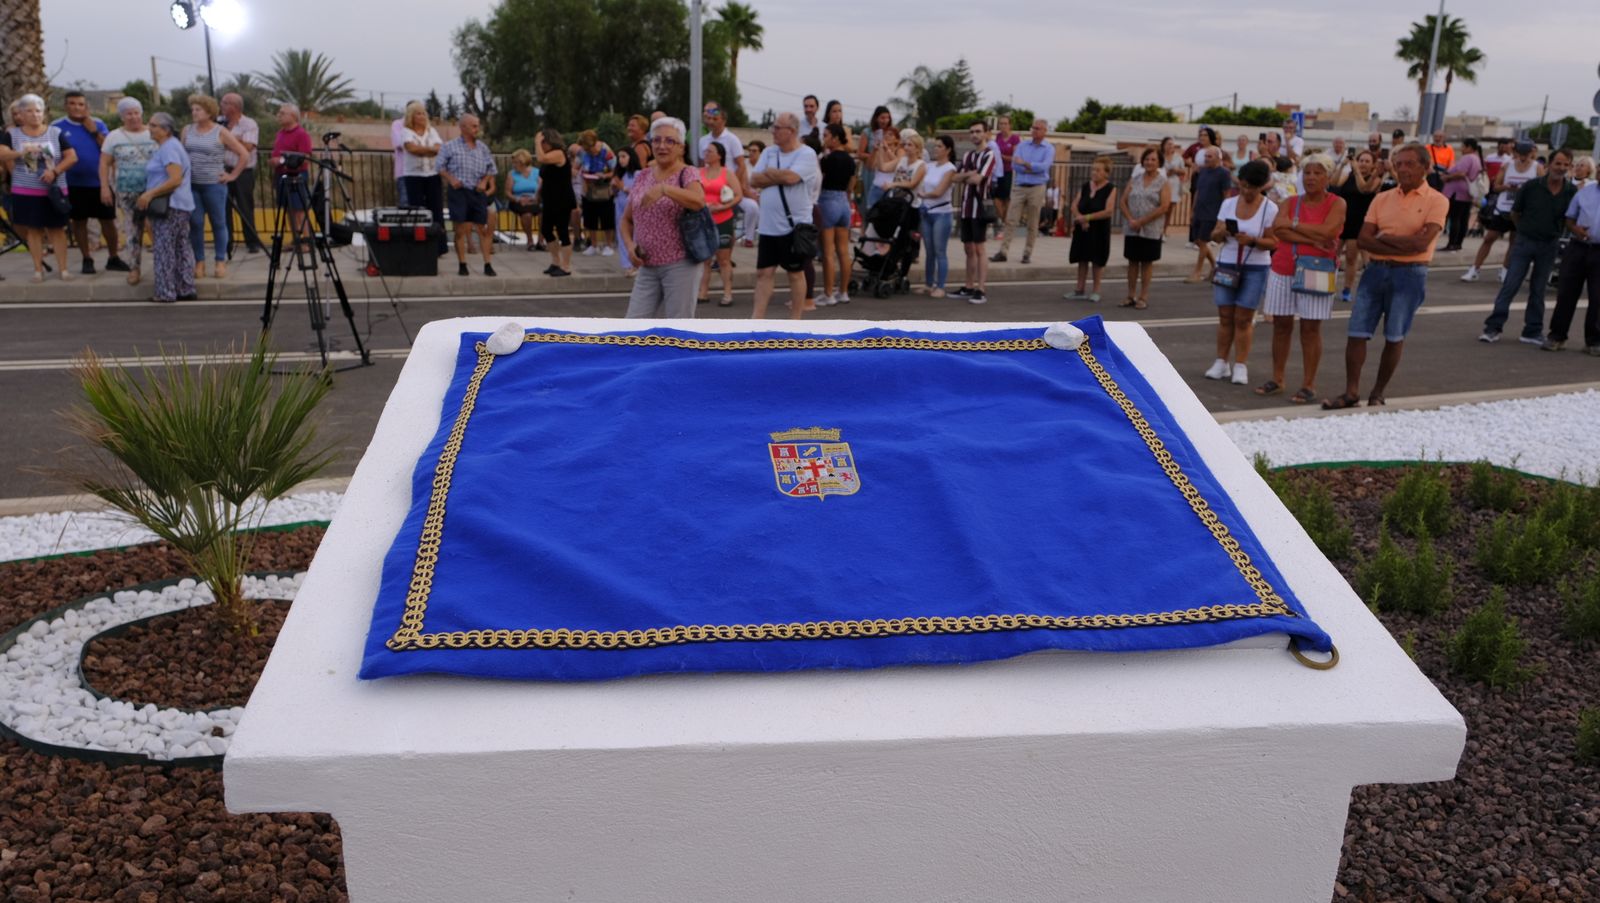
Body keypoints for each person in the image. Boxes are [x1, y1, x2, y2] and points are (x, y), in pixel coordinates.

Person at [1323, 143, 1447, 409]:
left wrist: (1387, 238)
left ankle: (1377, 392)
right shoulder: (1382, 198)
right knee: (1356, 332)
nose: (1402, 169)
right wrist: (1399, 242)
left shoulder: (1437, 200)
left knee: (1394, 335)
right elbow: (1365, 240)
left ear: (1425, 167)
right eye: (1398, 163)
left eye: (1409, 163)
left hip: (1410, 274)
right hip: (1376, 270)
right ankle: (1351, 392)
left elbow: (1420, 245)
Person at [1259, 153, 1345, 402]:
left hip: (1318, 268)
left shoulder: (1337, 203)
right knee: (1281, 325)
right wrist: (1313, 237)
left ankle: (1308, 383)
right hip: (1283, 267)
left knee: (1310, 327)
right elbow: (1279, 230)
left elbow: (1329, 231)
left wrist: (1294, 227)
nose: (1311, 178)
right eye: (1307, 172)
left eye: (1318, 173)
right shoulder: (1291, 202)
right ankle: (1277, 377)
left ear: (1327, 177)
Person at [1479, 148, 1575, 345]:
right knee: (1511, 285)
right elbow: (1516, 212)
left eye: (1566, 164)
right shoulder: (1531, 186)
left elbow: (1569, 218)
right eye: (1558, 163)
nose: (1561, 168)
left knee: (1538, 289)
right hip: (1525, 242)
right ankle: (1493, 327)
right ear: (1548, 165)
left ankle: (1532, 331)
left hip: (1549, 244)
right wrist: (1523, 229)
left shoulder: (1570, 191)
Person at [619, 117, 706, 318]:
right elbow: (626, 220)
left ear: (681, 148)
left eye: (670, 141)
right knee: (632, 327)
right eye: (657, 140)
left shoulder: (688, 173)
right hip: (647, 265)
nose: (662, 146)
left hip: (680, 264)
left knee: (678, 330)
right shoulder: (643, 176)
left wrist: (666, 189)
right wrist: (630, 246)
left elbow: (698, 201)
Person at [1204, 159, 1280, 388]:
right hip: (1227, 262)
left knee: (1244, 318)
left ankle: (1240, 364)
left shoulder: (1270, 208)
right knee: (1225, 315)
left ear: (1262, 186)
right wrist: (1221, 232)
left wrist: (1254, 241)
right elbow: (1214, 235)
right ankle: (1220, 361)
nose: (1246, 192)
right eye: (1243, 186)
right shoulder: (1228, 204)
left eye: (1252, 188)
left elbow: (1273, 242)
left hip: (1256, 266)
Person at [750, 112, 821, 320]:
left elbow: (791, 178)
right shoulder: (769, 152)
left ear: (792, 131)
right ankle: (757, 319)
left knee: (795, 273)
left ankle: (795, 320)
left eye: (777, 127)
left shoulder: (806, 154)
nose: (773, 131)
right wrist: (778, 174)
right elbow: (754, 179)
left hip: (794, 227)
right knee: (764, 273)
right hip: (768, 226)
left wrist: (771, 174)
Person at [0, 94, 76, 282]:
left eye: (38, 111)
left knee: (57, 229)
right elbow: (3, 154)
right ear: (21, 115)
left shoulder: (55, 132)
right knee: (33, 230)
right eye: (29, 111)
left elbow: (72, 157)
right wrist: (22, 152)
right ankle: (37, 270)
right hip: (26, 189)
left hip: (54, 189)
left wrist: (55, 171)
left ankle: (63, 269)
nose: (34, 115)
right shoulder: (12, 134)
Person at [54, 90, 127, 275]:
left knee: (108, 221)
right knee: (79, 222)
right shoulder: (57, 127)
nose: (76, 107)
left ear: (86, 107)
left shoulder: (99, 123)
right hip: (73, 183)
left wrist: (93, 130)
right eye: (72, 103)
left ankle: (113, 257)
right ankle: (87, 258)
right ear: (66, 106)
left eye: (80, 104)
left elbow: (108, 148)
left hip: (99, 182)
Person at [182, 94, 250, 279]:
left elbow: (244, 154)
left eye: (198, 109)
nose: (194, 113)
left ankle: (220, 261)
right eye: (193, 109)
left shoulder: (220, 131)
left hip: (214, 185)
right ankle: (199, 261)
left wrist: (232, 175)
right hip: (192, 185)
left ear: (209, 111)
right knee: (195, 223)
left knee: (218, 223)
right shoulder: (187, 130)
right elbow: (181, 154)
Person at [137, 112, 196, 303]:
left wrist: (150, 193)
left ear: (165, 130)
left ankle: (165, 291)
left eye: (154, 125)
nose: (149, 128)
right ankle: (185, 287)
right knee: (180, 247)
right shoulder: (171, 146)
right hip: (181, 204)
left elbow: (175, 179)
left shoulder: (168, 149)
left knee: (164, 248)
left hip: (170, 205)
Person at [98, 98, 157, 286]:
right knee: (132, 231)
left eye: (136, 112)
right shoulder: (114, 136)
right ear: (122, 116)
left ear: (142, 113)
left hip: (154, 191)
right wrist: (105, 187)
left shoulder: (154, 133)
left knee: (158, 229)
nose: (133, 117)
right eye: (128, 113)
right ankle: (134, 268)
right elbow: (104, 163)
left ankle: (162, 267)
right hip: (126, 191)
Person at [1464, 140, 1541, 283]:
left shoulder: (1537, 168)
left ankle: (1505, 270)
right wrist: (1506, 186)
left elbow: (1541, 189)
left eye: (1527, 154)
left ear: (1532, 153)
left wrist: (1525, 190)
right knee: (1489, 238)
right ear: (1516, 153)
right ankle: (1475, 268)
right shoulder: (1507, 166)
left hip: (1522, 210)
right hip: (1504, 207)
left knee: (1514, 241)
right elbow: (1495, 187)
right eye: (1520, 153)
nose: (1523, 157)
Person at [1544, 173, 1600, 354]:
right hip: (1579, 247)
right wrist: (1576, 229)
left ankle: (1594, 341)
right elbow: (1569, 219)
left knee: (1597, 298)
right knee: (1566, 293)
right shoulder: (1585, 192)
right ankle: (1557, 336)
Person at [437, 113, 498, 277]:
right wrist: (451, 179)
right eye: (474, 126)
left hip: (477, 192)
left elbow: (492, 169)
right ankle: (462, 264)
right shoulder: (449, 146)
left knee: (483, 228)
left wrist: (485, 181)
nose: (477, 129)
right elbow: (440, 166)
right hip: (459, 191)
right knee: (461, 230)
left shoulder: (482, 147)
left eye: (478, 125)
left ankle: (487, 264)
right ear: (463, 127)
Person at [992, 119, 1052, 264]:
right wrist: (1030, 167)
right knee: (1011, 219)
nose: (1034, 130)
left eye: (1038, 128)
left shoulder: (1049, 148)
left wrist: (1025, 163)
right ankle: (1003, 251)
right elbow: (1014, 164)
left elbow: (1044, 167)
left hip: (1036, 187)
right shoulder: (1023, 145)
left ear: (1045, 131)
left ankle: (1027, 253)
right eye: (1033, 127)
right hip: (1020, 186)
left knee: (1032, 222)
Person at [951, 121, 997, 304]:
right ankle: (968, 286)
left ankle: (981, 288)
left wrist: (968, 175)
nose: (974, 135)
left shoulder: (989, 154)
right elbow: (955, 177)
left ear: (986, 133)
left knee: (979, 248)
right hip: (966, 207)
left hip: (980, 208)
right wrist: (969, 174)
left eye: (978, 131)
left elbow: (978, 179)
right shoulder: (969, 154)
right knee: (968, 248)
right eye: (971, 132)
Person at [1119, 146, 1171, 310]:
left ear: (1159, 162)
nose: (1149, 162)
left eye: (1153, 159)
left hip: (1151, 228)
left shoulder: (1163, 182)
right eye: (1147, 159)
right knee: (1132, 261)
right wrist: (1131, 220)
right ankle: (1130, 295)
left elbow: (1164, 206)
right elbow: (1123, 201)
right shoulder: (1135, 179)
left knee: (1147, 263)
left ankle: (1143, 296)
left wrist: (1142, 221)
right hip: (1132, 227)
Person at [1064, 155, 1117, 302]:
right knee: (1082, 258)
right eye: (1093, 170)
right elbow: (1074, 204)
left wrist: (1088, 218)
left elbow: (1108, 210)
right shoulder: (1086, 186)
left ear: (1106, 173)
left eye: (1098, 170)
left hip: (1099, 229)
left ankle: (1096, 290)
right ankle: (1079, 288)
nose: (1094, 173)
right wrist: (1080, 218)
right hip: (1083, 229)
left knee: (1097, 260)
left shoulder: (1110, 189)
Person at [815, 123, 858, 304]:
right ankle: (844, 291)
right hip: (843, 201)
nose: (824, 139)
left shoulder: (827, 159)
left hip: (828, 200)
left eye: (826, 135)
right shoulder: (850, 160)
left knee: (827, 252)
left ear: (835, 138)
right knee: (843, 251)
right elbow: (851, 184)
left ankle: (828, 293)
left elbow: (818, 180)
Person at [695, 139, 741, 306]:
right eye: (705, 151)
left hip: (723, 219)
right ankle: (703, 292)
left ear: (719, 156)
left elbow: (738, 195)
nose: (706, 154)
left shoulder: (727, 173)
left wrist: (722, 207)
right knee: (705, 259)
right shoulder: (698, 172)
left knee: (723, 259)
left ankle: (727, 293)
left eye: (710, 152)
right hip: (703, 219)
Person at [1335, 149, 1383, 303]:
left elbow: (1364, 189)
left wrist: (1356, 171)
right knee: (1331, 254)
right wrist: (1342, 164)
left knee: (1350, 257)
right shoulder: (1349, 175)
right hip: (1342, 219)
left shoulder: (1374, 179)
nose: (1362, 164)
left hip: (1358, 222)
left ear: (1373, 165)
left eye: (1367, 161)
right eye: (1361, 160)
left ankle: (1347, 289)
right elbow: (1334, 183)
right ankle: (1327, 284)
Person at [915, 134, 958, 298]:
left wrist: (923, 195)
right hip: (927, 211)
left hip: (941, 213)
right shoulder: (930, 166)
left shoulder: (950, 168)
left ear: (948, 149)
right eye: (935, 146)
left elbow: (939, 191)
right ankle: (928, 283)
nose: (936, 149)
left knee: (940, 250)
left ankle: (940, 285)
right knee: (929, 251)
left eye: (940, 146)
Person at [398, 103, 445, 254]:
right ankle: (418, 244)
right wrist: (430, 150)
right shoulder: (406, 132)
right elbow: (412, 149)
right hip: (413, 175)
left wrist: (425, 150)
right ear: (411, 116)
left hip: (432, 174)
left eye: (423, 113)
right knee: (416, 210)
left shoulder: (432, 131)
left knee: (436, 210)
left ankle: (439, 246)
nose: (422, 116)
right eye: (418, 114)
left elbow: (439, 148)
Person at [220, 92, 262, 255]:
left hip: (244, 171)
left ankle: (252, 242)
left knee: (245, 207)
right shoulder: (220, 122)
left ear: (234, 106)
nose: (221, 105)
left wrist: (228, 140)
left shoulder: (249, 124)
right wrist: (235, 140)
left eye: (224, 103)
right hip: (223, 170)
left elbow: (248, 148)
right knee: (224, 208)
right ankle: (226, 242)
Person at [268, 103, 312, 246]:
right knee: (288, 209)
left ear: (293, 116)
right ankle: (296, 240)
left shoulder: (301, 134)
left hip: (296, 175)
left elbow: (304, 156)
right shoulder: (280, 133)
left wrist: (281, 161)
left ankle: (306, 241)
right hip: (281, 175)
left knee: (299, 210)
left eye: (282, 113)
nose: (279, 116)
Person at [1186, 148, 1233, 282]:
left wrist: (1224, 215)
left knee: (1203, 240)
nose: (1207, 159)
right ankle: (1214, 266)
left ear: (1218, 158)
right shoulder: (1203, 171)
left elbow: (1226, 195)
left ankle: (1197, 272)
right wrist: (1193, 210)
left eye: (1210, 156)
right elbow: (1198, 191)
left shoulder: (1223, 173)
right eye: (1206, 156)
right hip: (1200, 210)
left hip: (1212, 212)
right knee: (1197, 240)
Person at [534, 128, 575, 276]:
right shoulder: (548, 156)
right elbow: (545, 177)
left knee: (562, 230)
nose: (541, 145)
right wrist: (539, 192)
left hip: (562, 198)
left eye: (543, 142)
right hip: (550, 198)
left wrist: (537, 142)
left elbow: (541, 158)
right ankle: (555, 261)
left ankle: (566, 265)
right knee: (546, 229)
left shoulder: (558, 154)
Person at [576, 130, 617, 257]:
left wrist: (604, 175)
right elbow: (575, 167)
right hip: (588, 188)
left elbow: (615, 170)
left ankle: (608, 245)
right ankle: (593, 245)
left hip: (604, 189)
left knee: (606, 218)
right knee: (590, 218)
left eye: (588, 148)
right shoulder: (582, 152)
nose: (586, 151)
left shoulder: (606, 151)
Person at [1439, 137, 1482, 251]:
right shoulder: (1477, 159)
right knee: (1463, 218)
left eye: (1463, 146)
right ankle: (1458, 243)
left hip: (1457, 192)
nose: (1461, 149)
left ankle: (1452, 243)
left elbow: (1461, 173)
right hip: (1467, 193)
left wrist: (1447, 177)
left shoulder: (1467, 158)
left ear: (1469, 147)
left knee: (1455, 218)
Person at [503, 148, 542, 251]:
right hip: (517, 200)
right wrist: (517, 199)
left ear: (523, 162)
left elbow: (542, 188)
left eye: (515, 162)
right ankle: (530, 241)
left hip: (535, 199)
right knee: (527, 214)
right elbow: (507, 192)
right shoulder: (512, 174)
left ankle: (541, 241)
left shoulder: (537, 172)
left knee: (544, 213)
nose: (513, 165)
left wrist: (535, 199)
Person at [990, 115, 1020, 244]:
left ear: (1010, 125)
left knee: (1006, 199)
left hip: (1009, 171)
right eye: (1001, 123)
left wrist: (999, 155)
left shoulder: (1014, 138)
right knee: (996, 199)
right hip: (998, 172)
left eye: (1005, 123)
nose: (1002, 126)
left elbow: (1015, 157)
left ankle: (1005, 226)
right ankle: (1003, 222)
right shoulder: (997, 137)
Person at [612, 146, 638, 274]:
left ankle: (635, 262)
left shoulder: (638, 174)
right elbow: (614, 193)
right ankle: (627, 264)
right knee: (622, 235)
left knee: (635, 236)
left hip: (634, 210)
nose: (621, 160)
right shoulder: (620, 175)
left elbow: (639, 194)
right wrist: (615, 188)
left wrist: (624, 188)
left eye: (624, 156)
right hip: (620, 208)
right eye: (619, 157)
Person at [1160, 136, 1184, 236]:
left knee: (1169, 210)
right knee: (1161, 208)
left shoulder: (1178, 157)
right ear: (1164, 145)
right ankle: (1158, 229)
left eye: (1172, 144)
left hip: (1174, 185)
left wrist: (1176, 170)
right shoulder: (1160, 156)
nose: (1170, 146)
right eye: (1168, 144)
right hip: (1161, 184)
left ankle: (1164, 231)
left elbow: (1183, 171)